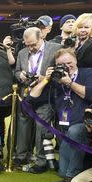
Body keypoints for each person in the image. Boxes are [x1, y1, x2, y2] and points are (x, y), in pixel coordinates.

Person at [28, 47, 92, 182]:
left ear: (75, 60)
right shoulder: (55, 81)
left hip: (85, 125)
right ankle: (81, 168)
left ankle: (70, 178)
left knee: (76, 131)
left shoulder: (90, 73)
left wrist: (69, 83)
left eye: (69, 62)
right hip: (64, 129)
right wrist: (46, 80)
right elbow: (31, 98)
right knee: (61, 171)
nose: (66, 66)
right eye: (61, 64)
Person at [13, 26, 57, 172]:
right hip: (26, 94)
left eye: (34, 44)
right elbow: (17, 70)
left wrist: (46, 78)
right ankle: (21, 155)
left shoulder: (55, 49)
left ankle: (41, 161)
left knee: (41, 127)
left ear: (41, 38)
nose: (31, 48)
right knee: (23, 125)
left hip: (46, 95)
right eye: (28, 45)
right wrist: (20, 75)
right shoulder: (21, 53)